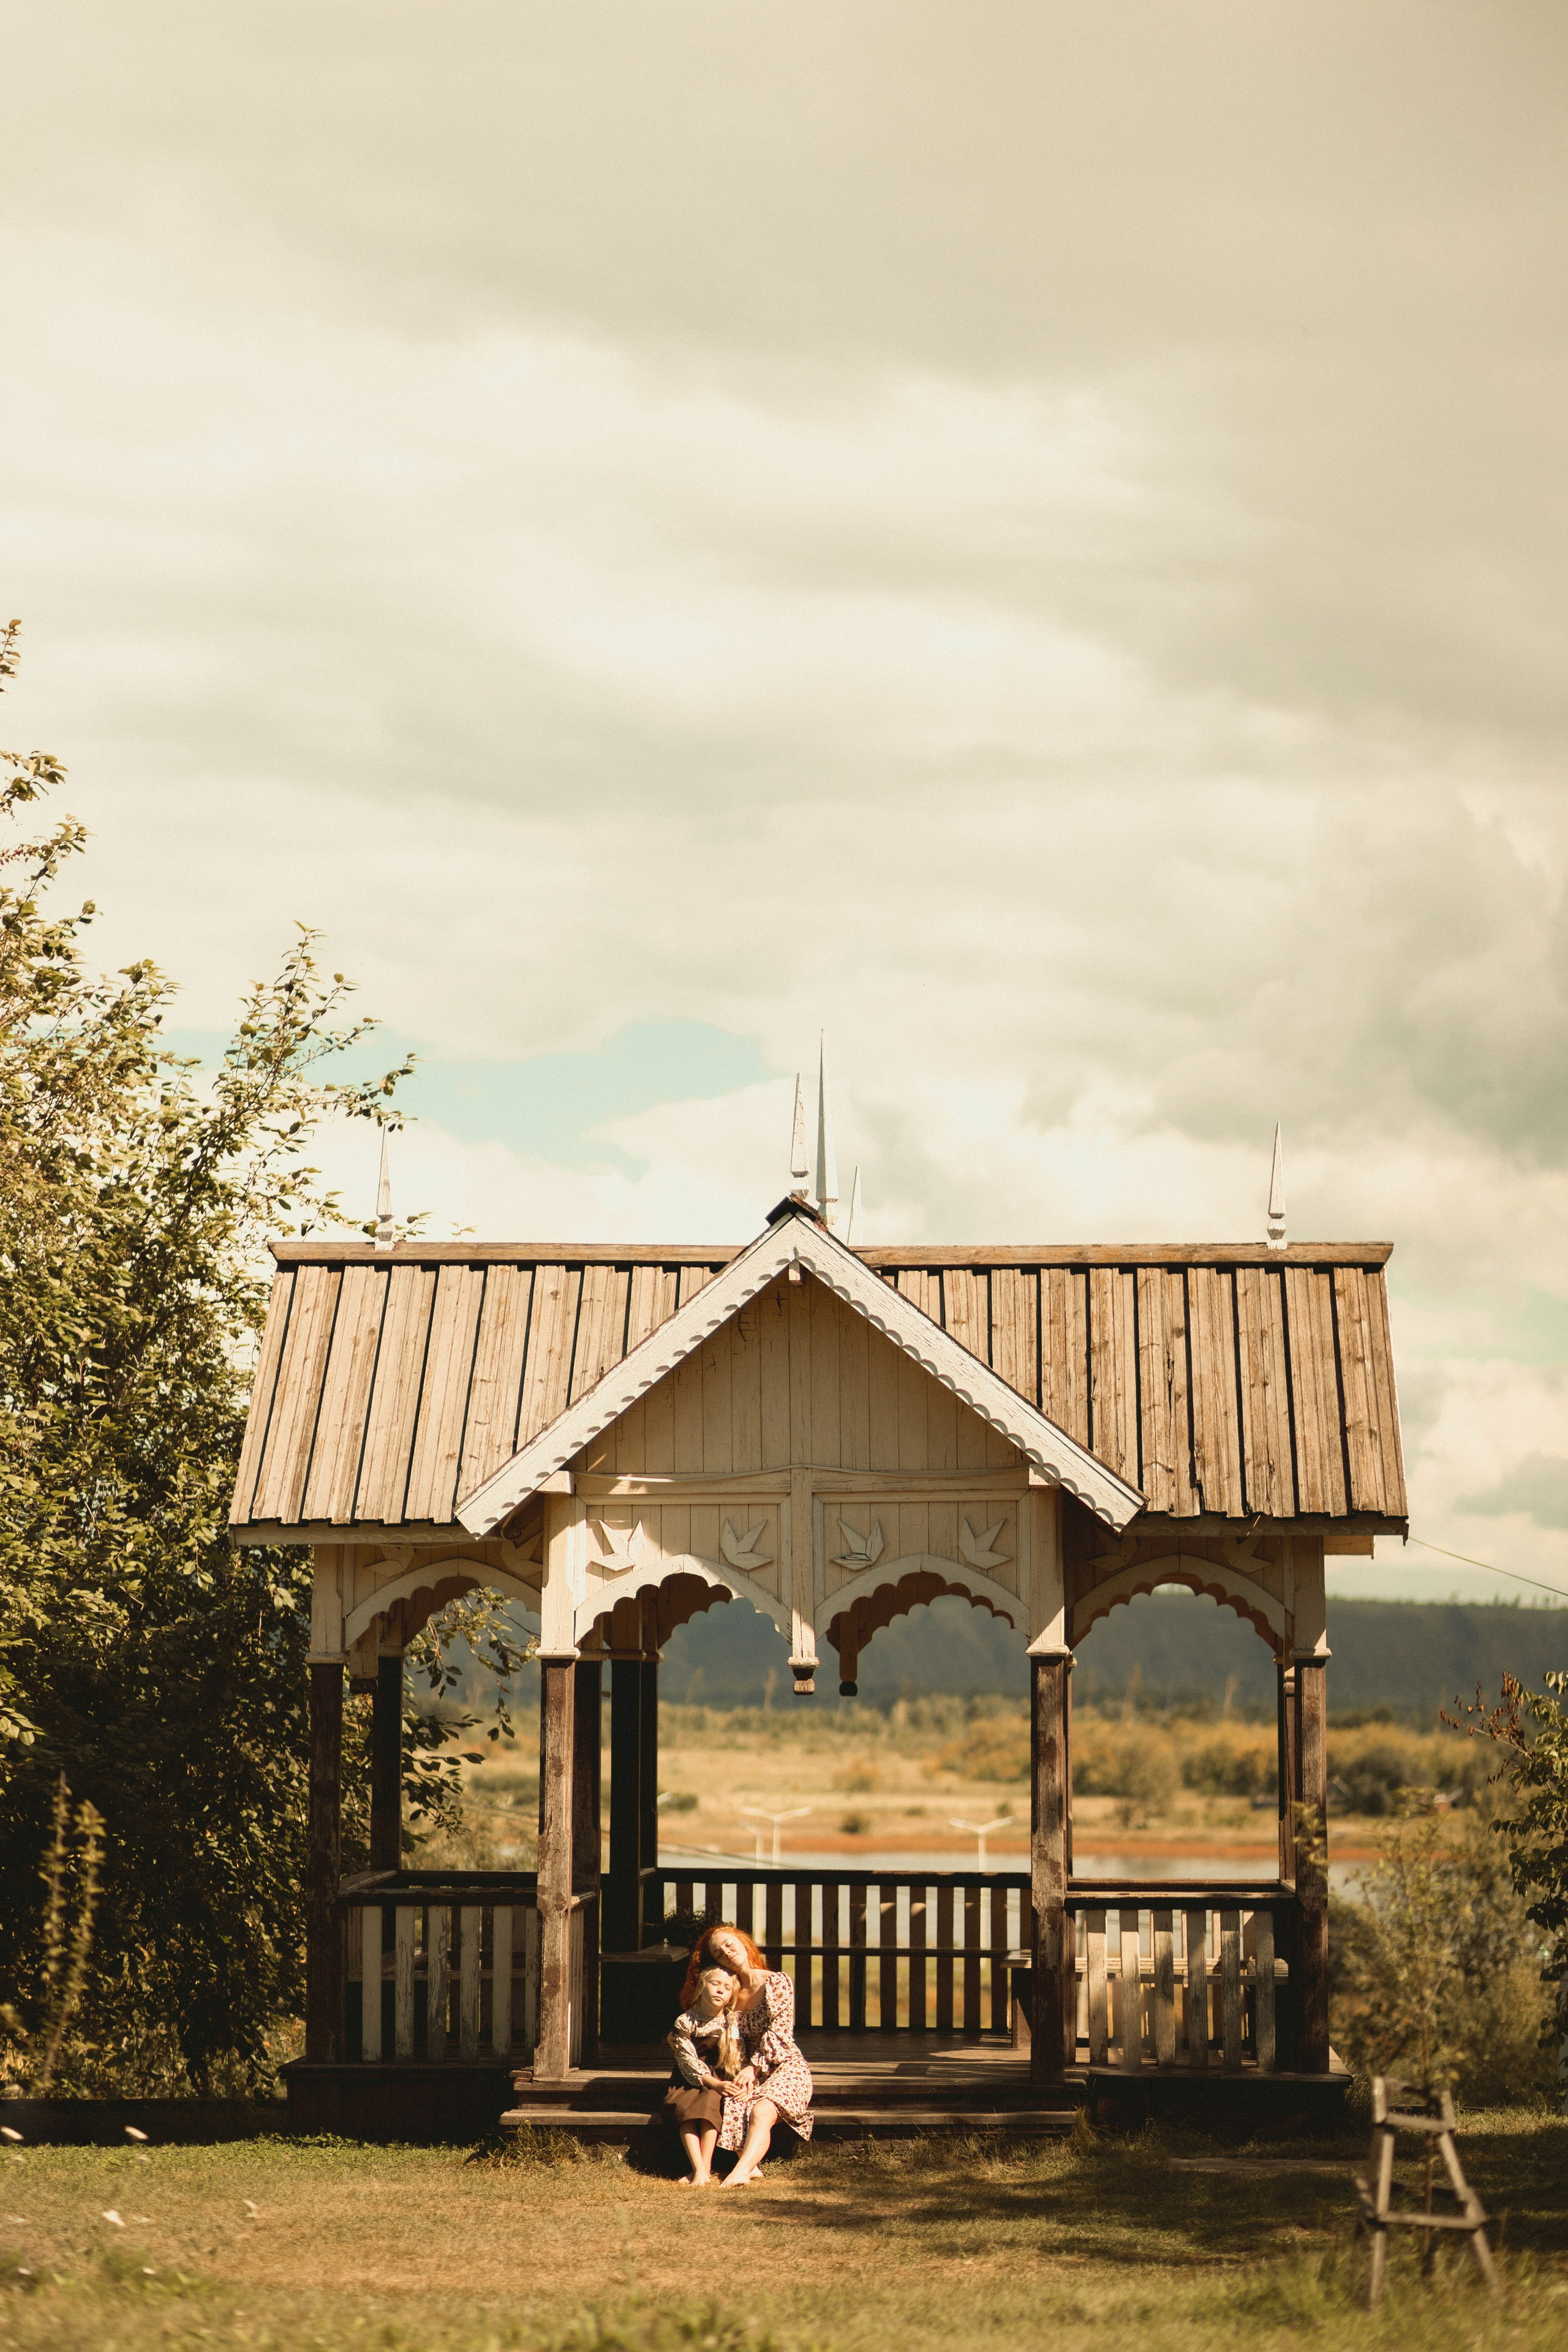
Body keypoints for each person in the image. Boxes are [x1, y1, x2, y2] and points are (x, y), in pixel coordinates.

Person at [684, 1924, 814, 2185]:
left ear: (744, 1943)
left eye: (730, 1945)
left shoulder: (776, 1982)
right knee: (736, 2102)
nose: (727, 1953)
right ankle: (749, 2166)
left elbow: (779, 2033)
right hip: (746, 2069)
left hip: (784, 2065)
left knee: (761, 2111)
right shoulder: (728, 1993)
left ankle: (739, 2172)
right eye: (719, 1953)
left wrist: (753, 2069)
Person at [663, 1962, 743, 2186]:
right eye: (715, 1984)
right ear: (701, 1986)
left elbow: (738, 2054)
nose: (720, 1990)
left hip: (719, 2077)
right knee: (685, 2110)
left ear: (731, 1996)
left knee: (710, 2107)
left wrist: (720, 2084)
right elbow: (687, 2059)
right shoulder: (686, 2021)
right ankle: (697, 2167)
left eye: (726, 1988)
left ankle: (705, 2168)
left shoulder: (731, 2022)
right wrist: (712, 2083)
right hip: (688, 2077)